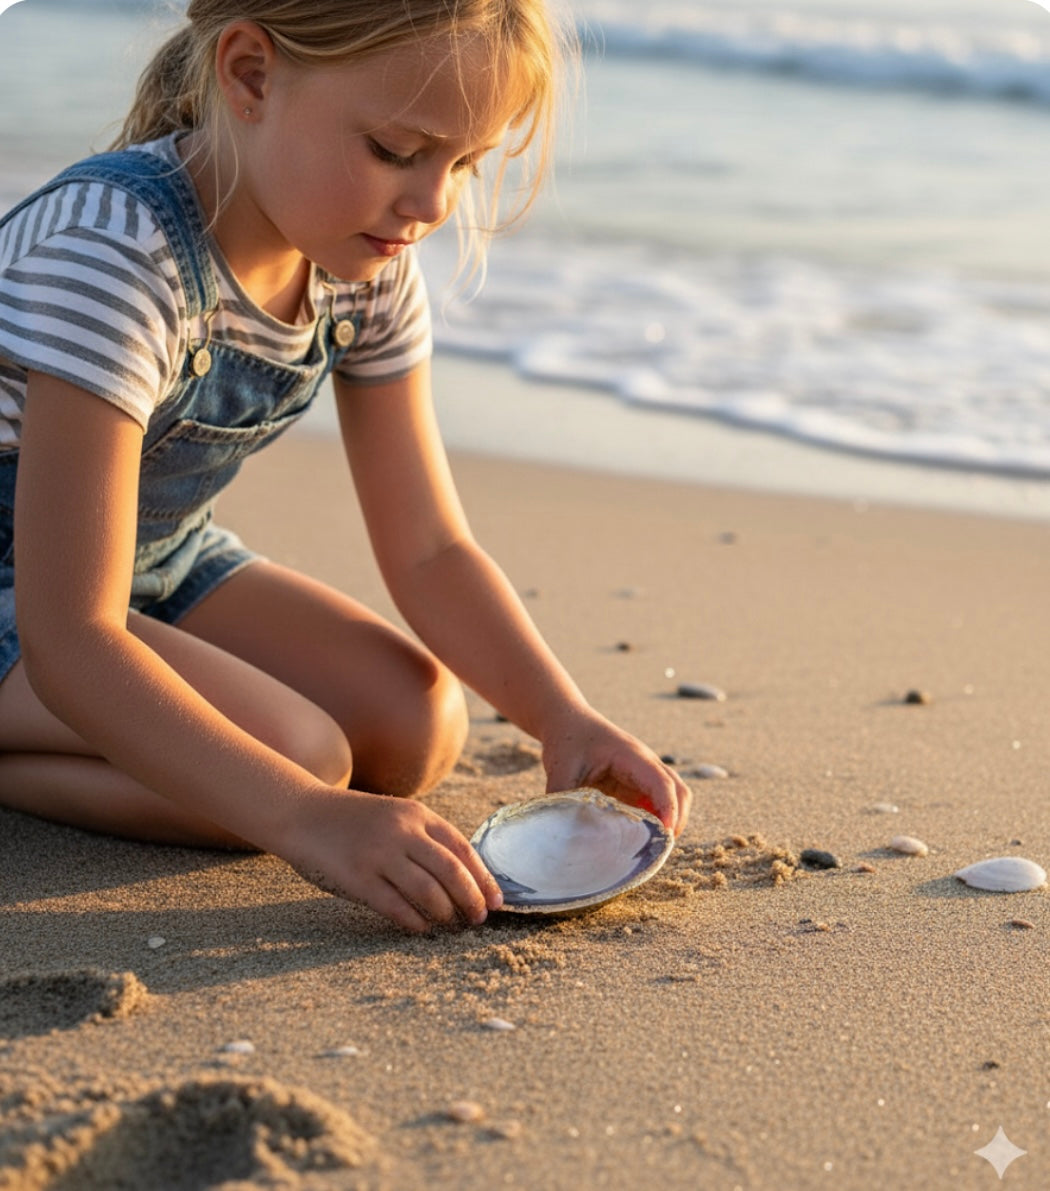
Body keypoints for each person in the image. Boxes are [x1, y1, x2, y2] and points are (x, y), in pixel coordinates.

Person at [0, 0, 690, 932]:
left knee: (415, 723)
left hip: (151, 560)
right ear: (250, 74)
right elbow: (70, 635)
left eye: (463, 163)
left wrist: (560, 715)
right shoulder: (114, 249)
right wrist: (304, 817)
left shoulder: (362, 272)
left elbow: (432, 549)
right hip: (47, 601)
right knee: (302, 756)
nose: (432, 204)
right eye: (396, 150)